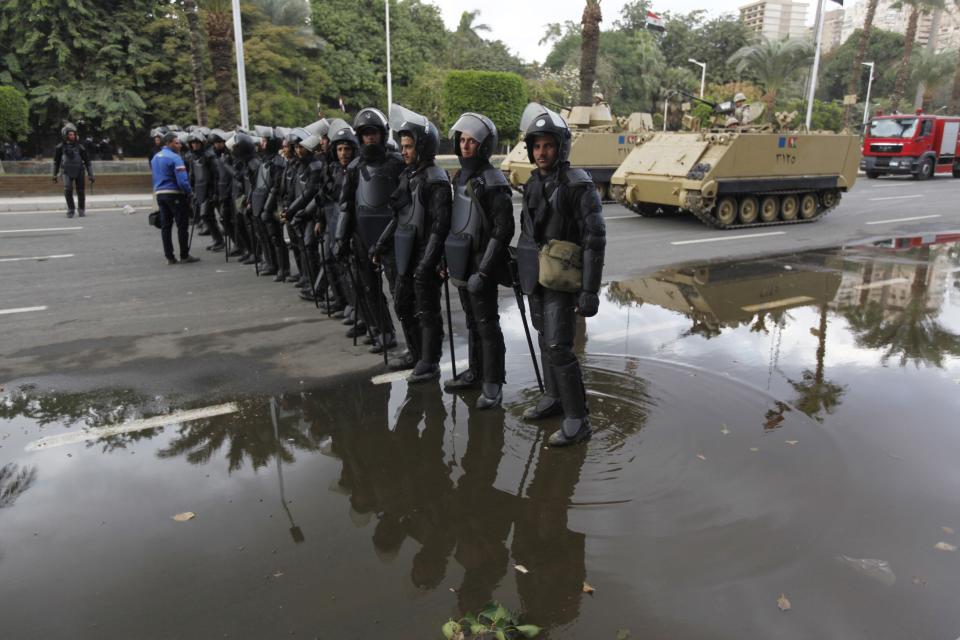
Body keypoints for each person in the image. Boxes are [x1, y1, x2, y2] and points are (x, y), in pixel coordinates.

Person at [515, 103, 606, 446]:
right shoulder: (532, 183)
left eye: (548, 145)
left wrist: (590, 291)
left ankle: (577, 419)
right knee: (544, 339)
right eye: (536, 146)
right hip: (537, 275)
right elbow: (527, 231)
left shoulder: (577, 185)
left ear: (561, 146)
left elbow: (595, 240)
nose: (542, 152)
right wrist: (518, 264)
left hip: (563, 278)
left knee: (559, 346)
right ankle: (553, 398)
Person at [370, 104, 451, 378]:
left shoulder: (436, 180)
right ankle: (416, 353)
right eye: (402, 146)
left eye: (408, 146)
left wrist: (427, 264)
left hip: (425, 255)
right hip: (406, 254)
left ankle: (430, 361)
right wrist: (381, 244)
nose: (403, 151)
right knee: (403, 304)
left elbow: (440, 228)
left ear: (423, 146)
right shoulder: (409, 175)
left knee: (427, 311)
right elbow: (399, 216)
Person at [443, 112, 514, 408]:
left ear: (484, 146)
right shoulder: (461, 176)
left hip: (481, 264)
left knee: (487, 324)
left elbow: (504, 229)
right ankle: (475, 372)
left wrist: (483, 272)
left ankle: (493, 384)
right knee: (473, 322)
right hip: (462, 262)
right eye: (462, 140)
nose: (465, 146)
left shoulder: (493, 181)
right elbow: (456, 220)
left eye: (472, 141)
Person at [335, 108, 405, 356]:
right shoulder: (354, 167)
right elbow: (345, 205)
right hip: (362, 234)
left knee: (399, 290)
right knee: (369, 288)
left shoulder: (397, 163)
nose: (370, 138)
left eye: (373, 133)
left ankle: (411, 337)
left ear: (382, 134)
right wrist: (340, 238)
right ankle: (383, 330)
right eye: (365, 134)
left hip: (392, 235)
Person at [151, 131, 200, 265]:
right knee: (182, 225)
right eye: (176, 143)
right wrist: (189, 193)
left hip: (160, 194)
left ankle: (170, 257)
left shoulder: (155, 157)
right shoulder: (175, 158)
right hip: (174, 194)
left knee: (166, 226)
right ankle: (184, 255)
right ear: (168, 143)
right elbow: (183, 181)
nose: (179, 145)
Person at [187, 131, 224, 252]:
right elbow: (193, 175)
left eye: (197, 142)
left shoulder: (209, 156)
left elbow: (216, 175)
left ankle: (220, 240)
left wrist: (215, 192)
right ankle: (217, 240)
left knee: (207, 215)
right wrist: (192, 189)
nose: (195, 145)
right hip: (200, 190)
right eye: (192, 143)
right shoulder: (193, 157)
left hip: (210, 190)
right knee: (207, 216)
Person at [52, 123, 94, 218]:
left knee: (80, 191)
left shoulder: (80, 147)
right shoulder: (60, 147)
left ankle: (81, 209)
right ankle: (71, 209)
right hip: (66, 171)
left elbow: (88, 162)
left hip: (79, 171)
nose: (73, 136)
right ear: (65, 135)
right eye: (70, 134)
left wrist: (91, 174)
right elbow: (56, 162)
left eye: (74, 134)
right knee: (68, 189)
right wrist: (54, 175)